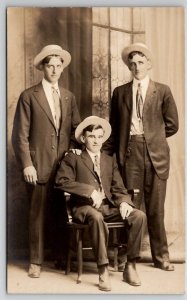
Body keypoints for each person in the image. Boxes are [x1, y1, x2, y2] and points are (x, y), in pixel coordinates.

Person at [103, 42, 179, 271]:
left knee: (156, 209)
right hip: (129, 154)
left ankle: (161, 256)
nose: (136, 67)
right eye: (132, 63)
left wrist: (152, 137)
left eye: (141, 62)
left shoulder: (162, 91)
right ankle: (127, 256)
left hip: (156, 154)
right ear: (129, 66)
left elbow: (173, 125)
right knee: (130, 208)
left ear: (149, 64)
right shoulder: (120, 92)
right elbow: (114, 128)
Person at [12, 44, 81, 278]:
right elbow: (19, 135)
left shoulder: (69, 97)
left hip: (63, 168)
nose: (54, 69)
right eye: (49, 65)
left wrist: (74, 160)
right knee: (37, 215)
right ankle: (36, 262)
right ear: (42, 67)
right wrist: (27, 164)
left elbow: (75, 131)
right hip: (38, 164)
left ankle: (61, 257)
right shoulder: (28, 96)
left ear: (62, 68)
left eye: (58, 66)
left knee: (61, 213)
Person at [55, 116, 146, 291]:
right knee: (96, 217)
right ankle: (103, 269)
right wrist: (89, 192)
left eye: (99, 136)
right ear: (83, 138)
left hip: (108, 207)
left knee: (138, 216)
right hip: (84, 207)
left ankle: (131, 266)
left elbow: (118, 187)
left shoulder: (108, 160)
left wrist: (125, 202)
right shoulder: (73, 158)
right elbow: (61, 181)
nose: (96, 141)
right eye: (91, 136)